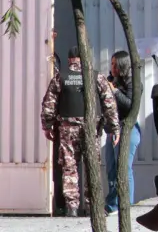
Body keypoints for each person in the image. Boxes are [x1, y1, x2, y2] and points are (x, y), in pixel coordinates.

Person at [40, 46, 119, 217]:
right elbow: (109, 104)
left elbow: (49, 105)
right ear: (85, 59)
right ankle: (93, 207)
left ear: (70, 60)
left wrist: (47, 126)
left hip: (68, 129)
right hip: (92, 129)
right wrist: (114, 128)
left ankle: (72, 208)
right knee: (92, 166)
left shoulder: (61, 77)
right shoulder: (96, 76)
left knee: (70, 167)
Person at [104, 50, 141, 216]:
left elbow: (129, 105)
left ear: (122, 65)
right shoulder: (113, 81)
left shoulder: (133, 82)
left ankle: (126, 205)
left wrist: (115, 92)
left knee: (124, 169)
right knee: (111, 168)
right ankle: (113, 204)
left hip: (128, 128)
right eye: (111, 64)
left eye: (114, 64)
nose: (112, 68)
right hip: (113, 129)